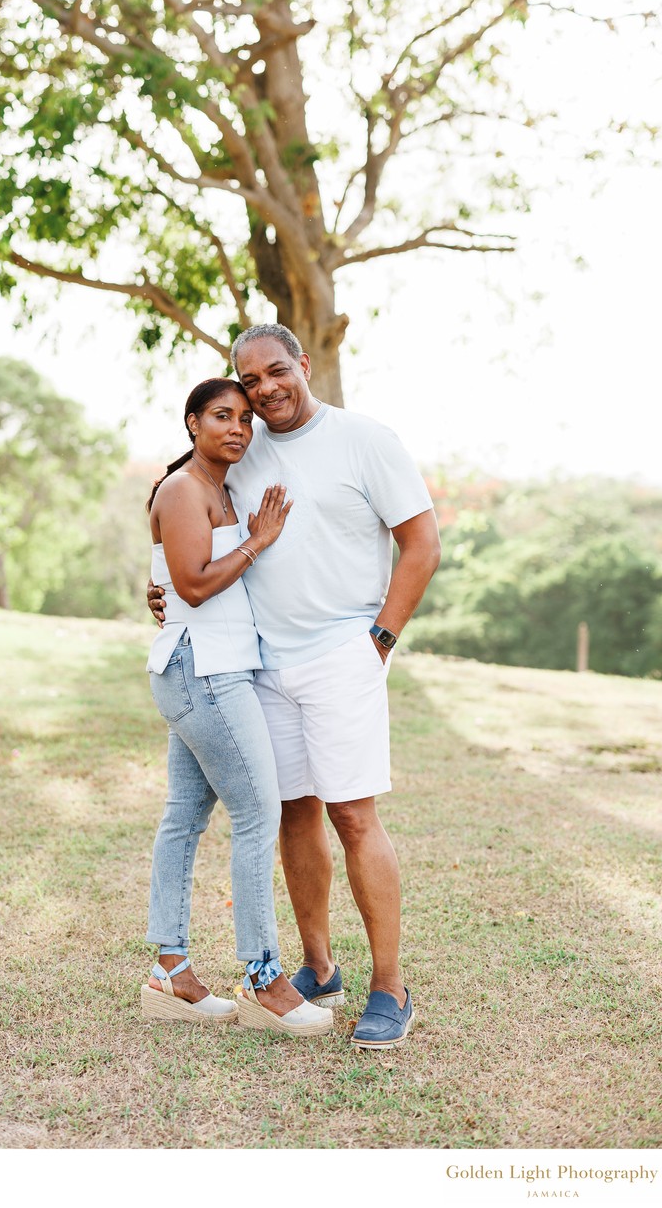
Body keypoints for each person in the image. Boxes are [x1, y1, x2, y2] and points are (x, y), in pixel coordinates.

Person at [149, 328, 441, 1049]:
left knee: (353, 816)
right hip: (260, 663)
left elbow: (422, 543)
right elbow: (189, 530)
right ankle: (317, 966)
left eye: (277, 372)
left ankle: (390, 987)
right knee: (293, 814)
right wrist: (164, 591)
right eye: (249, 382)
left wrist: (379, 640)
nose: (265, 390)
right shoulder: (242, 447)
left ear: (304, 365)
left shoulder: (364, 439)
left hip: (343, 653)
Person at [142, 377, 332, 1037]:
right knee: (258, 813)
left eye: (246, 419)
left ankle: (171, 971)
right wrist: (259, 540)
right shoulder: (182, 489)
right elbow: (192, 587)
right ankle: (262, 978)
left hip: (210, 666)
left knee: (184, 816)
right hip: (204, 672)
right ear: (192, 422)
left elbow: (175, 577)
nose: (238, 428)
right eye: (222, 415)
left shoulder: (219, 489)